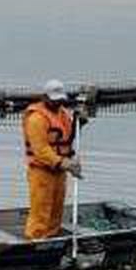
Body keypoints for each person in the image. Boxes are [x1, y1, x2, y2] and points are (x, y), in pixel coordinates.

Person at [22, 79, 81, 240]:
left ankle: (52, 238)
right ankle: (35, 241)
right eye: (54, 100)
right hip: (41, 172)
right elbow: (41, 150)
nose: (57, 103)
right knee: (41, 211)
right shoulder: (36, 119)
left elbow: (66, 136)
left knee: (56, 209)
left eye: (60, 100)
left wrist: (79, 123)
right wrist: (64, 163)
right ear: (45, 97)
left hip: (59, 172)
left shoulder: (63, 114)